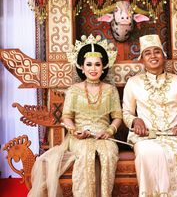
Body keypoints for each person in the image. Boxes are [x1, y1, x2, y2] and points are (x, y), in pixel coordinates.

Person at [28, 34, 122, 197]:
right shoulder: (74, 89)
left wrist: (109, 131)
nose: (93, 69)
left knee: (108, 153)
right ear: (81, 67)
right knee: (86, 152)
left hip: (104, 136)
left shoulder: (110, 90)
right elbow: (66, 117)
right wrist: (74, 131)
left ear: (103, 66)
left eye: (97, 64)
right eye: (89, 64)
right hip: (79, 137)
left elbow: (118, 116)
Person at [123, 34, 177, 197]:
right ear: (142, 59)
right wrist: (135, 121)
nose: (153, 56)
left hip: (174, 136)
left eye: (157, 52)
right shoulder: (133, 83)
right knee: (147, 152)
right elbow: (127, 113)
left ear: (163, 56)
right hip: (146, 136)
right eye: (148, 53)